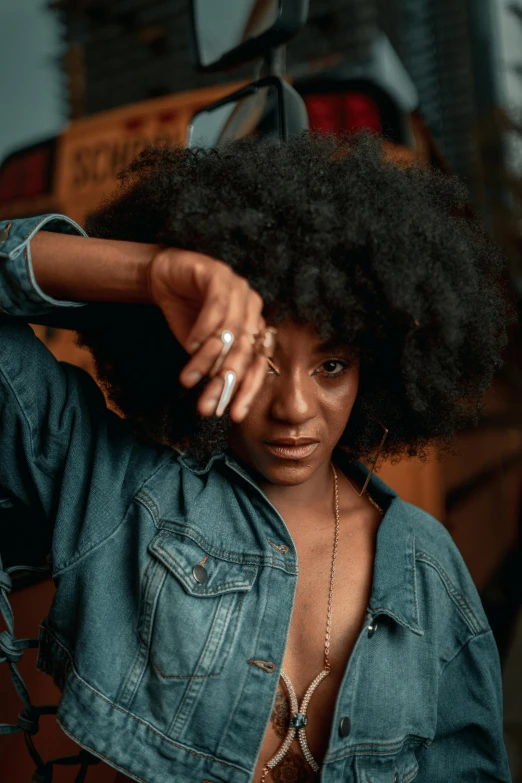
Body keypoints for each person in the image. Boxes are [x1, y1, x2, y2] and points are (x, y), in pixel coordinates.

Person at [0, 131, 514, 783]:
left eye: (331, 364)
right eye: (259, 359)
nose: (296, 408)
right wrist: (154, 273)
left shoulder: (427, 570)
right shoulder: (126, 494)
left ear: (377, 369)